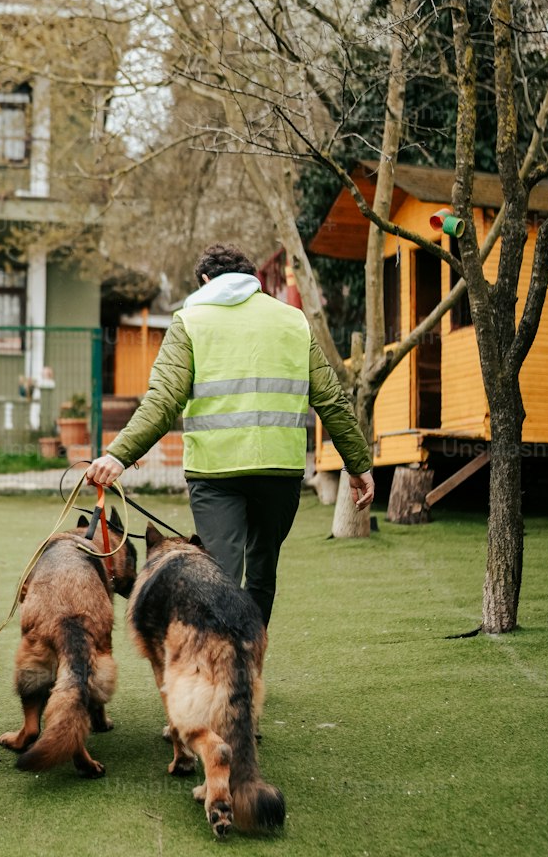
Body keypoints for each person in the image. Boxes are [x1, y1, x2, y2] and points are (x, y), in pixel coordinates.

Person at [85, 243, 375, 627]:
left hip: (216, 474)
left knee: (219, 576)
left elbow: (163, 401)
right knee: (262, 574)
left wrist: (118, 455)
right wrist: (358, 466)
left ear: (205, 280)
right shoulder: (293, 321)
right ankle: (247, 665)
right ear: (252, 279)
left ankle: (219, 671)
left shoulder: (190, 321)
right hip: (280, 472)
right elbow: (333, 401)